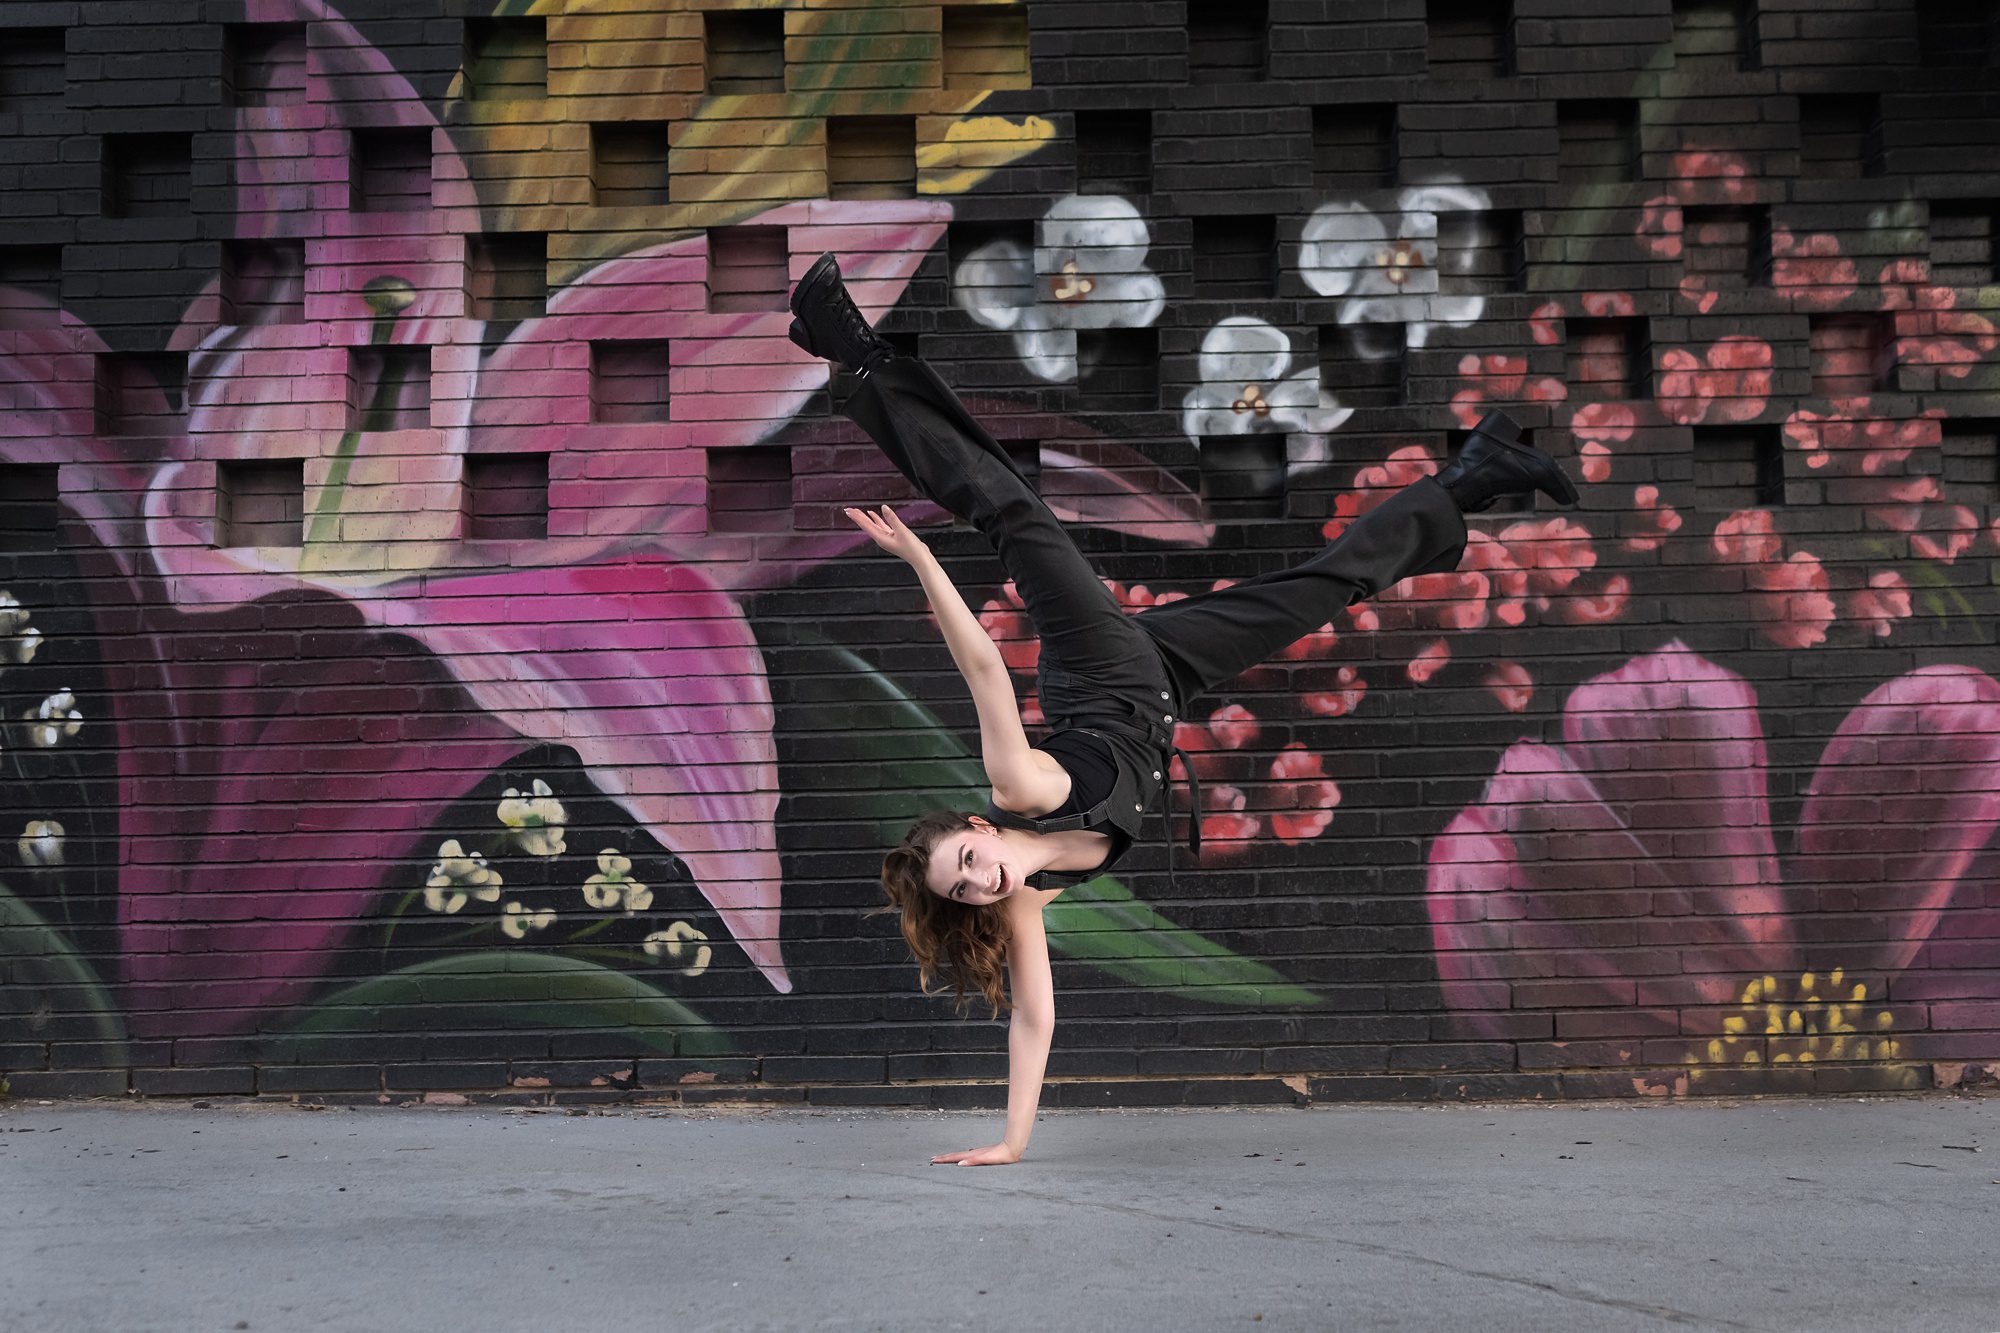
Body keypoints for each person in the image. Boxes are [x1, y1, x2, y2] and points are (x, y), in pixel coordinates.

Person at [788, 252, 1577, 1166]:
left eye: (969, 860)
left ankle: (856, 354)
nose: (979, 881)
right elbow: (1036, 1019)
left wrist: (920, 562)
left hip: (1099, 662)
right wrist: (1009, 1141)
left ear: (980, 826)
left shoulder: (1016, 785)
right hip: (1161, 683)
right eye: (964, 889)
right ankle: (1478, 471)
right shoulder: (1034, 894)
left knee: (1012, 513)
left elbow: (984, 672)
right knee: (1322, 590)